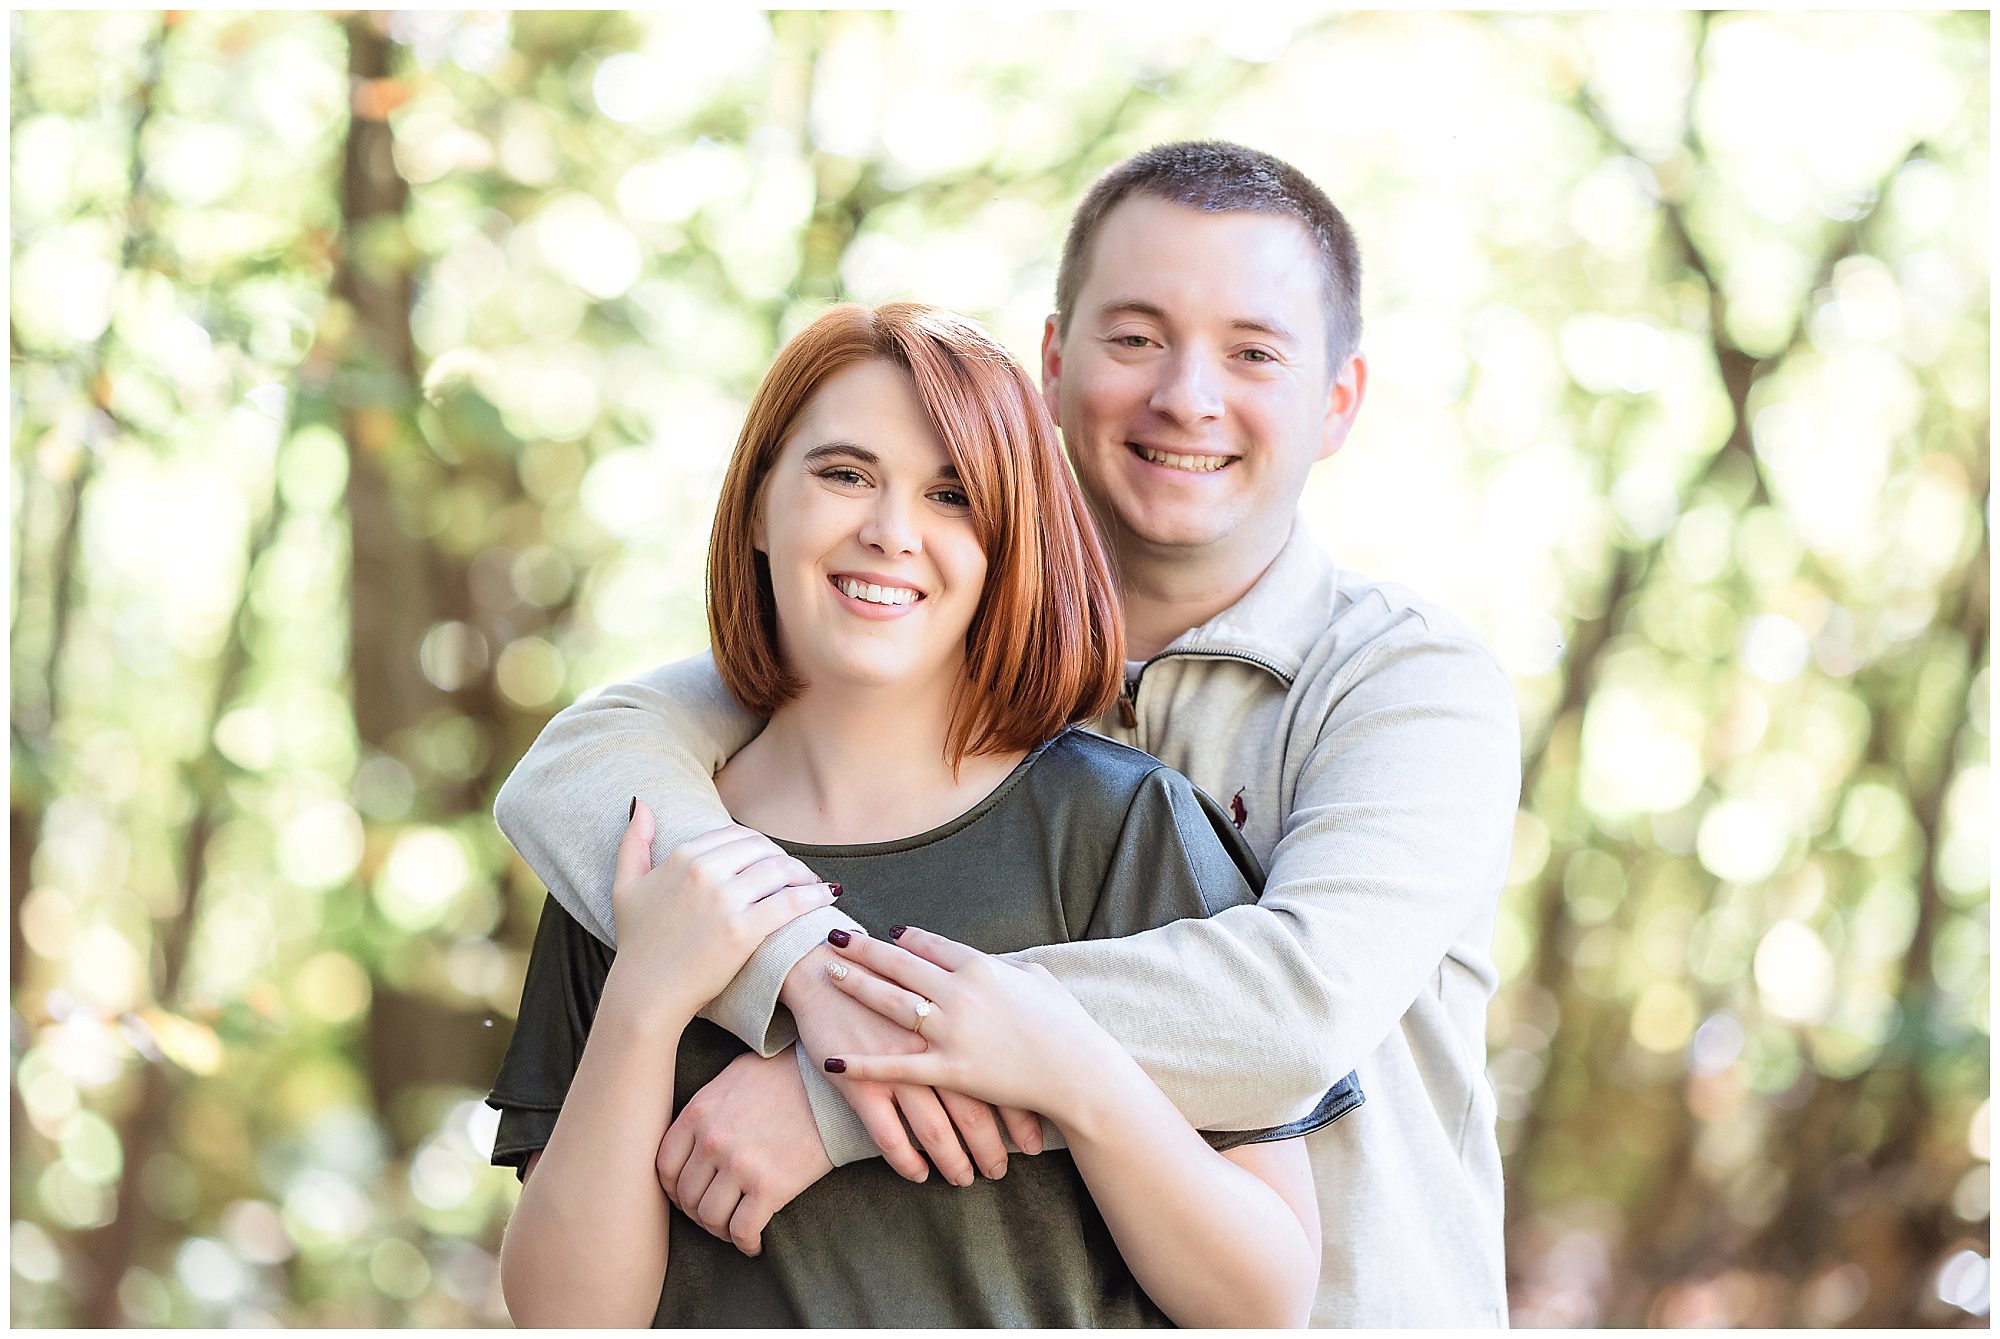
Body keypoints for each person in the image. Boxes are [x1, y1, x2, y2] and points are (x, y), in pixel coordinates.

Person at [495, 141, 1521, 1326]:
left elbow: (1294, 1007)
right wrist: (768, 968)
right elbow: (587, 763)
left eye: (1251, 352)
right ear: (1051, 363)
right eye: (1134, 338)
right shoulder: (893, 656)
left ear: (1336, 400)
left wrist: (836, 1083)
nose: (1184, 394)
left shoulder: (1402, 685)